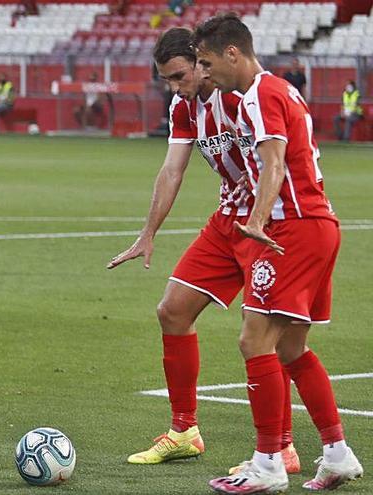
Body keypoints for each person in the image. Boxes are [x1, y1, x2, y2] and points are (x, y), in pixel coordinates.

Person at [108, 27, 301, 475]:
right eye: (167, 81)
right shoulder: (184, 107)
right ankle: (184, 432)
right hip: (228, 220)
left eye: (180, 76)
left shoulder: (241, 96)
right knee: (173, 310)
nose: (175, 88)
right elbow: (171, 171)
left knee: (269, 338)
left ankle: (283, 448)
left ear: (201, 61)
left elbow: (277, 159)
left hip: (269, 224)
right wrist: (147, 233)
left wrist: (267, 219)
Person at [194, 14, 364, 493]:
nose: (205, 73)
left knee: (254, 341)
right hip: (318, 226)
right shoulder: (278, 91)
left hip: (293, 228)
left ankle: (267, 463)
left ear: (233, 53)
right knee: (290, 348)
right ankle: (337, 453)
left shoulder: (261, 95)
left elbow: (272, 162)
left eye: (207, 62)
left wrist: (255, 221)